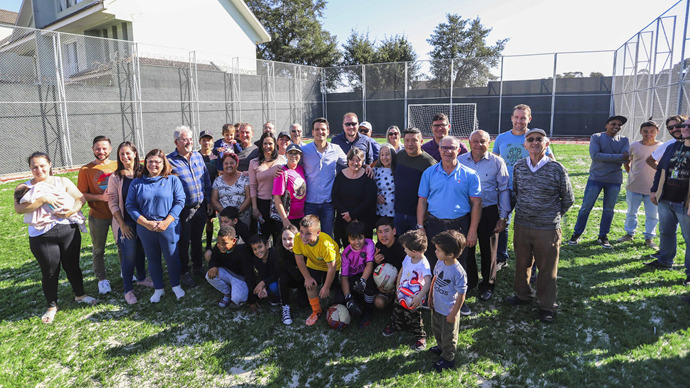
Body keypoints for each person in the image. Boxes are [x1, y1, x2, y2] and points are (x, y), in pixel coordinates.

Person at [15, 152, 96, 324]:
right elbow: (19, 209)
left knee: (72, 265)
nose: (39, 170)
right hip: (42, 235)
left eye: (42, 165)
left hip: (68, 229)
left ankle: (80, 295)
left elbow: (80, 199)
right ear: (30, 168)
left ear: (50, 164)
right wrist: (43, 199)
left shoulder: (62, 181)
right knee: (50, 271)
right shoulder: (24, 187)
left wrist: (71, 211)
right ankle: (51, 306)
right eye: (34, 167)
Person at [505, 129, 574, 323]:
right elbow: (516, 192)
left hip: (547, 228)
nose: (534, 142)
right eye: (530, 139)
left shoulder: (557, 168)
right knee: (521, 264)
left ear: (546, 144)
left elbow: (568, 199)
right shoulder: (519, 166)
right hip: (522, 225)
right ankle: (523, 295)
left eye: (539, 139)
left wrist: (551, 216)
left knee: (547, 269)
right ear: (525, 145)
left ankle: (546, 305)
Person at [417, 135, 481, 315]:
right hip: (435, 224)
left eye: (451, 148)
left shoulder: (470, 174)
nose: (447, 151)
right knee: (432, 261)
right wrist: (420, 226)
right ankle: (431, 298)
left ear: (459, 150)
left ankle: (459, 302)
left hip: (459, 226)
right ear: (439, 150)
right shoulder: (429, 173)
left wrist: (472, 230)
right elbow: (422, 202)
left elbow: (476, 204)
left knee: (459, 264)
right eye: (444, 148)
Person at [492, 104, 554, 269]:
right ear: (512, 118)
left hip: (529, 191)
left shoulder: (536, 138)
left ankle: (532, 263)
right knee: (502, 222)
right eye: (517, 117)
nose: (519, 121)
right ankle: (501, 258)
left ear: (529, 119)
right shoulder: (501, 138)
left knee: (530, 226)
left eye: (523, 118)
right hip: (505, 188)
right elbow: (494, 162)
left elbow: (551, 161)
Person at [126, 149, 187, 303]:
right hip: (146, 228)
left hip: (169, 226)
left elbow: (180, 201)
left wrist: (167, 221)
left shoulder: (172, 180)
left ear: (163, 164)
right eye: (150, 161)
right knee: (153, 259)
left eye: (157, 162)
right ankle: (158, 288)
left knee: (172, 257)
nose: (153, 164)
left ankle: (176, 286)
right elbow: (130, 206)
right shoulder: (137, 183)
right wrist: (145, 223)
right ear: (145, 163)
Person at [458, 130, 510, 301]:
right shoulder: (460, 161)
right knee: (467, 249)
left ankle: (487, 284)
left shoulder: (497, 162)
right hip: (467, 212)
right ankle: (471, 281)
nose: (478, 145)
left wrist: (503, 216)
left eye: (482, 141)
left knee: (489, 251)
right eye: (475, 141)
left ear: (489, 143)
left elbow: (503, 190)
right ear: (469, 141)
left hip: (489, 211)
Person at [568, 115, 630, 248]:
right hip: (596, 179)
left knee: (608, 210)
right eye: (613, 124)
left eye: (619, 125)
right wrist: (619, 157)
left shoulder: (624, 140)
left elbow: (626, 160)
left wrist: (611, 157)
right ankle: (576, 234)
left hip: (614, 181)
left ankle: (603, 236)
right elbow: (595, 155)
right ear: (606, 125)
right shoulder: (596, 137)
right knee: (585, 208)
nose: (616, 127)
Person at [105, 141, 153, 305]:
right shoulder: (116, 177)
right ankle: (128, 289)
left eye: (127, 153)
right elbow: (112, 204)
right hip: (126, 222)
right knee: (129, 255)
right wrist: (123, 225)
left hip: (143, 221)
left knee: (141, 252)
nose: (125, 157)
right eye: (121, 154)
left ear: (135, 154)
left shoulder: (143, 173)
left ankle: (141, 278)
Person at [646, 116, 690, 287]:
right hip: (665, 199)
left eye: (687, 126)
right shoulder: (672, 147)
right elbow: (661, 170)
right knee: (666, 232)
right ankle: (665, 260)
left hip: (684, 204)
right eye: (683, 126)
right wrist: (653, 190)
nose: (682, 128)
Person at [168, 125, 212, 287]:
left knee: (196, 239)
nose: (189, 142)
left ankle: (198, 266)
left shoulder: (198, 157)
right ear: (176, 142)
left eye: (190, 139)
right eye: (185, 139)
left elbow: (206, 179)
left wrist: (208, 201)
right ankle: (184, 271)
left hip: (200, 207)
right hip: (183, 210)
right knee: (183, 241)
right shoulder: (169, 160)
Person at [77, 135, 118, 295]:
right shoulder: (86, 170)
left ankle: (126, 273)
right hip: (98, 216)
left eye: (104, 148)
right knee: (98, 250)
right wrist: (101, 198)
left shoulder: (117, 165)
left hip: (117, 215)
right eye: (98, 148)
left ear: (110, 149)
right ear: (93, 149)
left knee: (122, 247)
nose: (101, 151)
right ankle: (102, 279)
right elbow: (81, 194)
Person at [381, 229, 432, 352]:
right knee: (397, 310)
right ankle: (396, 325)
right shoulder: (408, 258)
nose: (404, 250)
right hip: (401, 292)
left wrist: (419, 297)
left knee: (414, 317)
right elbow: (402, 271)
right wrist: (398, 287)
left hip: (414, 297)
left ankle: (420, 336)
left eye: (405, 248)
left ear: (414, 251)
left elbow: (428, 282)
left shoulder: (423, 264)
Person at [617, 121, 661, 249]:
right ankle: (629, 234)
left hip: (653, 189)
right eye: (645, 131)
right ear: (641, 132)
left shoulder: (662, 147)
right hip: (634, 186)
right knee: (631, 212)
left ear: (657, 132)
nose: (648, 134)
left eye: (652, 131)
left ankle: (649, 237)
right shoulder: (634, 145)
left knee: (652, 215)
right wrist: (631, 174)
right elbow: (627, 161)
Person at [428, 230, 467, 372]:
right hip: (437, 306)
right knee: (437, 329)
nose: (435, 252)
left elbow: (462, 294)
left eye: (438, 250)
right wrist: (430, 296)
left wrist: (453, 313)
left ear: (450, 254)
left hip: (449, 310)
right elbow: (435, 279)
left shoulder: (458, 272)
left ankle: (448, 358)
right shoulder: (440, 262)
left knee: (449, 336)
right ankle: (440, 347)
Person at [302, 117, 348, 237]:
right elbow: (291, 163)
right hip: (309, 203)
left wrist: (367, 167)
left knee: (327, 236)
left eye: (323, 129)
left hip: (328, 203)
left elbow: (351, 163)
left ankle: (328, 256)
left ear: (328, 131)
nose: (320, 132)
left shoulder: (336, 150)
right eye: (317, 129)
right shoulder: (304, 150)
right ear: (312, 132)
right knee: (309, 235)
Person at [293, 215, 341, 326]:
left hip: (331, 267)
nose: (303, 237)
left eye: (308, 233)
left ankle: (333, 287)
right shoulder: (297, 238)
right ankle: (316, 311)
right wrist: (307, 278)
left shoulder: (325, 244)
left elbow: (332, 267)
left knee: (332, 292)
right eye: (301, 232)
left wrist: (326, 287)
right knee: (310, 285)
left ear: (318, 233)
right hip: (314, 264)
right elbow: (300, 261)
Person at [331, 147, 377, 248]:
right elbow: (335, 197)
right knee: (347, 248)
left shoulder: (367, 175)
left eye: (358, 160)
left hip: (363, 219)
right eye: (352, 160)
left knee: (364, 249)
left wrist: (352, 215)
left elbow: (370, 199)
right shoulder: (340, 176)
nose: (355, 163)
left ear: (363, 162)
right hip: (344, 219)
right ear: (348, 160)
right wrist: (346, 215)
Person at [394, 127, 437, 235]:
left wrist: (424, 217)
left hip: (417, 216)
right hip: (398, 212)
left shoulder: (429, 163)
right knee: (399, 247)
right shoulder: (399, 156)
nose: (410, 144)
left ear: (421, 141)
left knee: (415, 248)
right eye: (407, 140)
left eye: (414, 140)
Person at [205, 226, 254, 308]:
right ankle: (227, 293)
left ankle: (237, 293)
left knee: (238, 299)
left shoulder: (242, 249)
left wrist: (253, 300)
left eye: (224, 243)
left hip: (240, 278)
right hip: (227, 272)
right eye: (219, 243)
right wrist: (213, 266)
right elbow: (214, 259)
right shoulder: (219, 246)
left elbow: (249, 274)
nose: (221, 246)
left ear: (234, 241)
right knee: (209, 275)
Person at [249, 132, 285, 241]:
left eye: (270, 143)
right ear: (261, 145)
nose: (267, 146)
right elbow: (252, 186)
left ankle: (278, 257)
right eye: (265, 143)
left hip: (278, 203)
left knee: (279, 235)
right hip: (262, 204)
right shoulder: (254, 163)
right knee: (264, 235)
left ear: (275, 145)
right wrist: (255, 207)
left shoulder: (282, 160)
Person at [340, 221, 377, 328]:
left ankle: (368, 313)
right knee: (339, 299)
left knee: (369, 285)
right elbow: (344, 277)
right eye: (353, 239)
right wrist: (348, 297)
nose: (357, 242)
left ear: (364, 236)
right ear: (348, 239)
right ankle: (356, 302)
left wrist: (363, 281)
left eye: (360, 238)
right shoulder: (346, 253)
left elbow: (370, 265)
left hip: (365, 274)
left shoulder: (369, 243)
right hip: (352, 278)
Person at [373, 217, 406, 309]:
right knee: (379, 302)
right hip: (386, 283)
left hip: (401, 284)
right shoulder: (379, 246)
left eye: (386, 231)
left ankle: (398, 302)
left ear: (394, 231)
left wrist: (395, 288)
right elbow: (377, 270)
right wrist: (376, 261)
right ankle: (390, 302)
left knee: (405, 302)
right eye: (380, 232)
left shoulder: (403, 246)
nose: (383, 235)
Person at [276, 225, 307, 325]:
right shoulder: (280, 251)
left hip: (303, 279)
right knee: (283, 278)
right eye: (284, 239)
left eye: (290, 239)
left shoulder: (304, 249)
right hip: (290, 278)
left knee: (303, 303)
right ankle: (285, 307)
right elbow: (281, 272)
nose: (287, 242)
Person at [272, 143, 307, 230]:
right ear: (286, 154)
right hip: (288, 217)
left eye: (296, 153)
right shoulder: (281, 172)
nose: (293, 156)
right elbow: (277, 198)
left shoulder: (300, 169)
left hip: (301, 216)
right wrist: (285, 219)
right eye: (291, 153)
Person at [212, 153, 251, 226]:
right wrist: (225, 213)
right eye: (226, 163)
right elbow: (214, 200)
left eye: (232, 163)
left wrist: (237, 212)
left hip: (242, 216)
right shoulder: (218, 180)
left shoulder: (245, 177)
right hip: (225, 219)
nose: (229, 165)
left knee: (244, 236)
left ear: (237, 164)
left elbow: (248, 197)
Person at [247, 234, 281, 306]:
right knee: (257, 291)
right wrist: (263, 286)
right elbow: (262, 273)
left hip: (280, 278)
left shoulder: (274, 254)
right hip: (268, 279)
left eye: (260, 247)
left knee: (273, 286)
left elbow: (278, 273)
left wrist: (263, 283)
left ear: (267, 245)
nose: (258, 251)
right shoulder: (256, 259)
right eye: (255, 249)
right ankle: (267, 291)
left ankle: (279, 297)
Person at [199, 130, 218, 251]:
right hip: (199, 193)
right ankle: (197, 243)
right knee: (199, 221)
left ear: (212, 141)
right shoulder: (195, 156)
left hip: (211, 192)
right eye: (204, 140)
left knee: (209, 220)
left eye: (208, 140)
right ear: (200, 141)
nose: (206, 142)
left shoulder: (216, 157)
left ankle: (209, 245)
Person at [374, 144, 396, 218]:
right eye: (382, 155)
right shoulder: (375, 170)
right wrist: (376, 196)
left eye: (387, 154)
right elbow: (369, 188)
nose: (384, 157)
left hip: (395, 213)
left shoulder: (398, 171)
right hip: (379, 212)